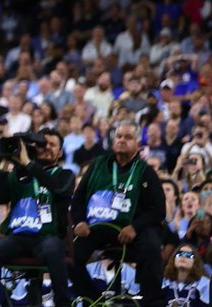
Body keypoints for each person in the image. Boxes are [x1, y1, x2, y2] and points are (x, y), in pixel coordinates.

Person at [69, 119, 167, 307]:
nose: (121, 140)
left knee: (151, 246)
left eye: (128, 137)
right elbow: (78, 199)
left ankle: (152, 301)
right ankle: (94, 300)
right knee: (67, 254)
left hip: (130, 228)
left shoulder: (145, 172)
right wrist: (79, 222)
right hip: (96, 226)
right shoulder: (97, 164)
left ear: (138, 145)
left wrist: (135, 227)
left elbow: (158, 211)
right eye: (119, 136)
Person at [0, 129, 74, 307]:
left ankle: (63, 303)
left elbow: (60, 189)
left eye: (52, 145)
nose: (46, 148)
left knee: (54, 248)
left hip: (47, 238)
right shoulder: (18, 175)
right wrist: (4, 165)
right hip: (18, 238)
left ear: (60, 152)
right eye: (42, 145)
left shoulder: (64, 175)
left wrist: (29, 164)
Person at [162, 242, 210, 307]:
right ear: (173, 259)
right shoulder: (164, 282)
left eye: (188, 255)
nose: (183, 256)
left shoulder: (204, 284)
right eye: (180, 254)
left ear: (195, 261)